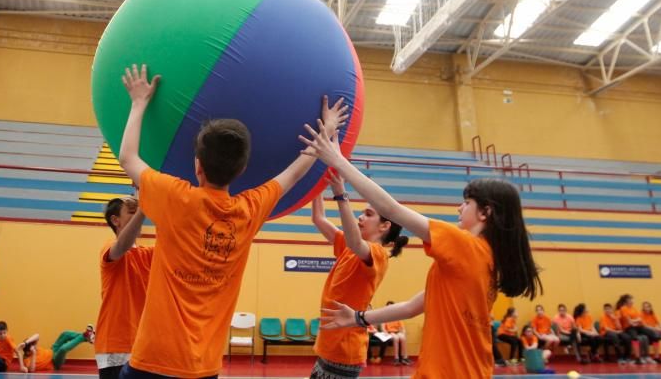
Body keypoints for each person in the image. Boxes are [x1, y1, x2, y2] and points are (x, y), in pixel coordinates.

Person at [117, 64, 347, 379]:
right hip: (204, 368)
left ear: (197, 165)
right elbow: (295, 171)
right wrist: (329, 129)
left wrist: (139, 102)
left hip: (153, 362)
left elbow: (128, 157)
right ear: (242, 171)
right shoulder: (249, 209)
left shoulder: (176, 197)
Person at [302, 122, 543, 379]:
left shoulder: (465, 245)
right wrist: (359, 318)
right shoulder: (485, 260)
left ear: (486, 212)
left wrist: (338, 161)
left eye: (466, 202)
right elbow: (414, 306)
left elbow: (393, 209)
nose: (459, 208)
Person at [310, 170, 407, 379]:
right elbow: (318, 218)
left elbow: (355, 243)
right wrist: (315, 184)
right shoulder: (348, 246)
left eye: (369, 214)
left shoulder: (378, 254)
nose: (361, 217)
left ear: (385, 226)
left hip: (345, 351)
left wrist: (341, 195)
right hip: (327, 347)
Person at [94, 196, 153, 379]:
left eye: (138, 212)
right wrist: (143, 209)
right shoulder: (110, 248)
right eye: (132, 212)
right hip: (115, 345)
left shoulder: (148, 254)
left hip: (143, 347)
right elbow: (122, 246)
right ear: (115, 220)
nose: (138, 217)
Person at [617, 294, 661, 364]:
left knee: (655, 336)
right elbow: (629, 322)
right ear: (627, 301)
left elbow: (640, 319)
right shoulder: (623, 308)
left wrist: (634, 321)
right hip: (629, 328)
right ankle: (637, 358)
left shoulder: (634, 308)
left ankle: (657, 357)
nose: (632, 301)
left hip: (638, 326)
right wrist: (635, 321)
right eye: (631, 299)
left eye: (632, 299)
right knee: (634, 338)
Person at [15, 332, 92, 373]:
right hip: (54, 362)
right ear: (28, 352)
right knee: (63, 349)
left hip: (53, 350)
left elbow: (37, 335)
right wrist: (34, 353)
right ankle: (84, 336)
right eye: (33, 345)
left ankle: (88, 337)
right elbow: (31, 370)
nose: (35, 345)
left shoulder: (31, 346)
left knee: (65, 334)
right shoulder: (27, 360)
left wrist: (26, 343)